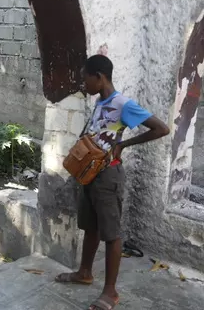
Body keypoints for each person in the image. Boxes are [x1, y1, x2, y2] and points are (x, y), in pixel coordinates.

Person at [55, 55, 170, 310]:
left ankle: (110, 292)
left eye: (86, 79)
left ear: (99, 76)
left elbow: (161, 129)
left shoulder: (123, 103)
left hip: (109, 176)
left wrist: (124, 144)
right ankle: (84, 272)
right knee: (91, 227)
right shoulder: (100, 102)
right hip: (90, 174)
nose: (84, 85)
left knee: (111, 233)